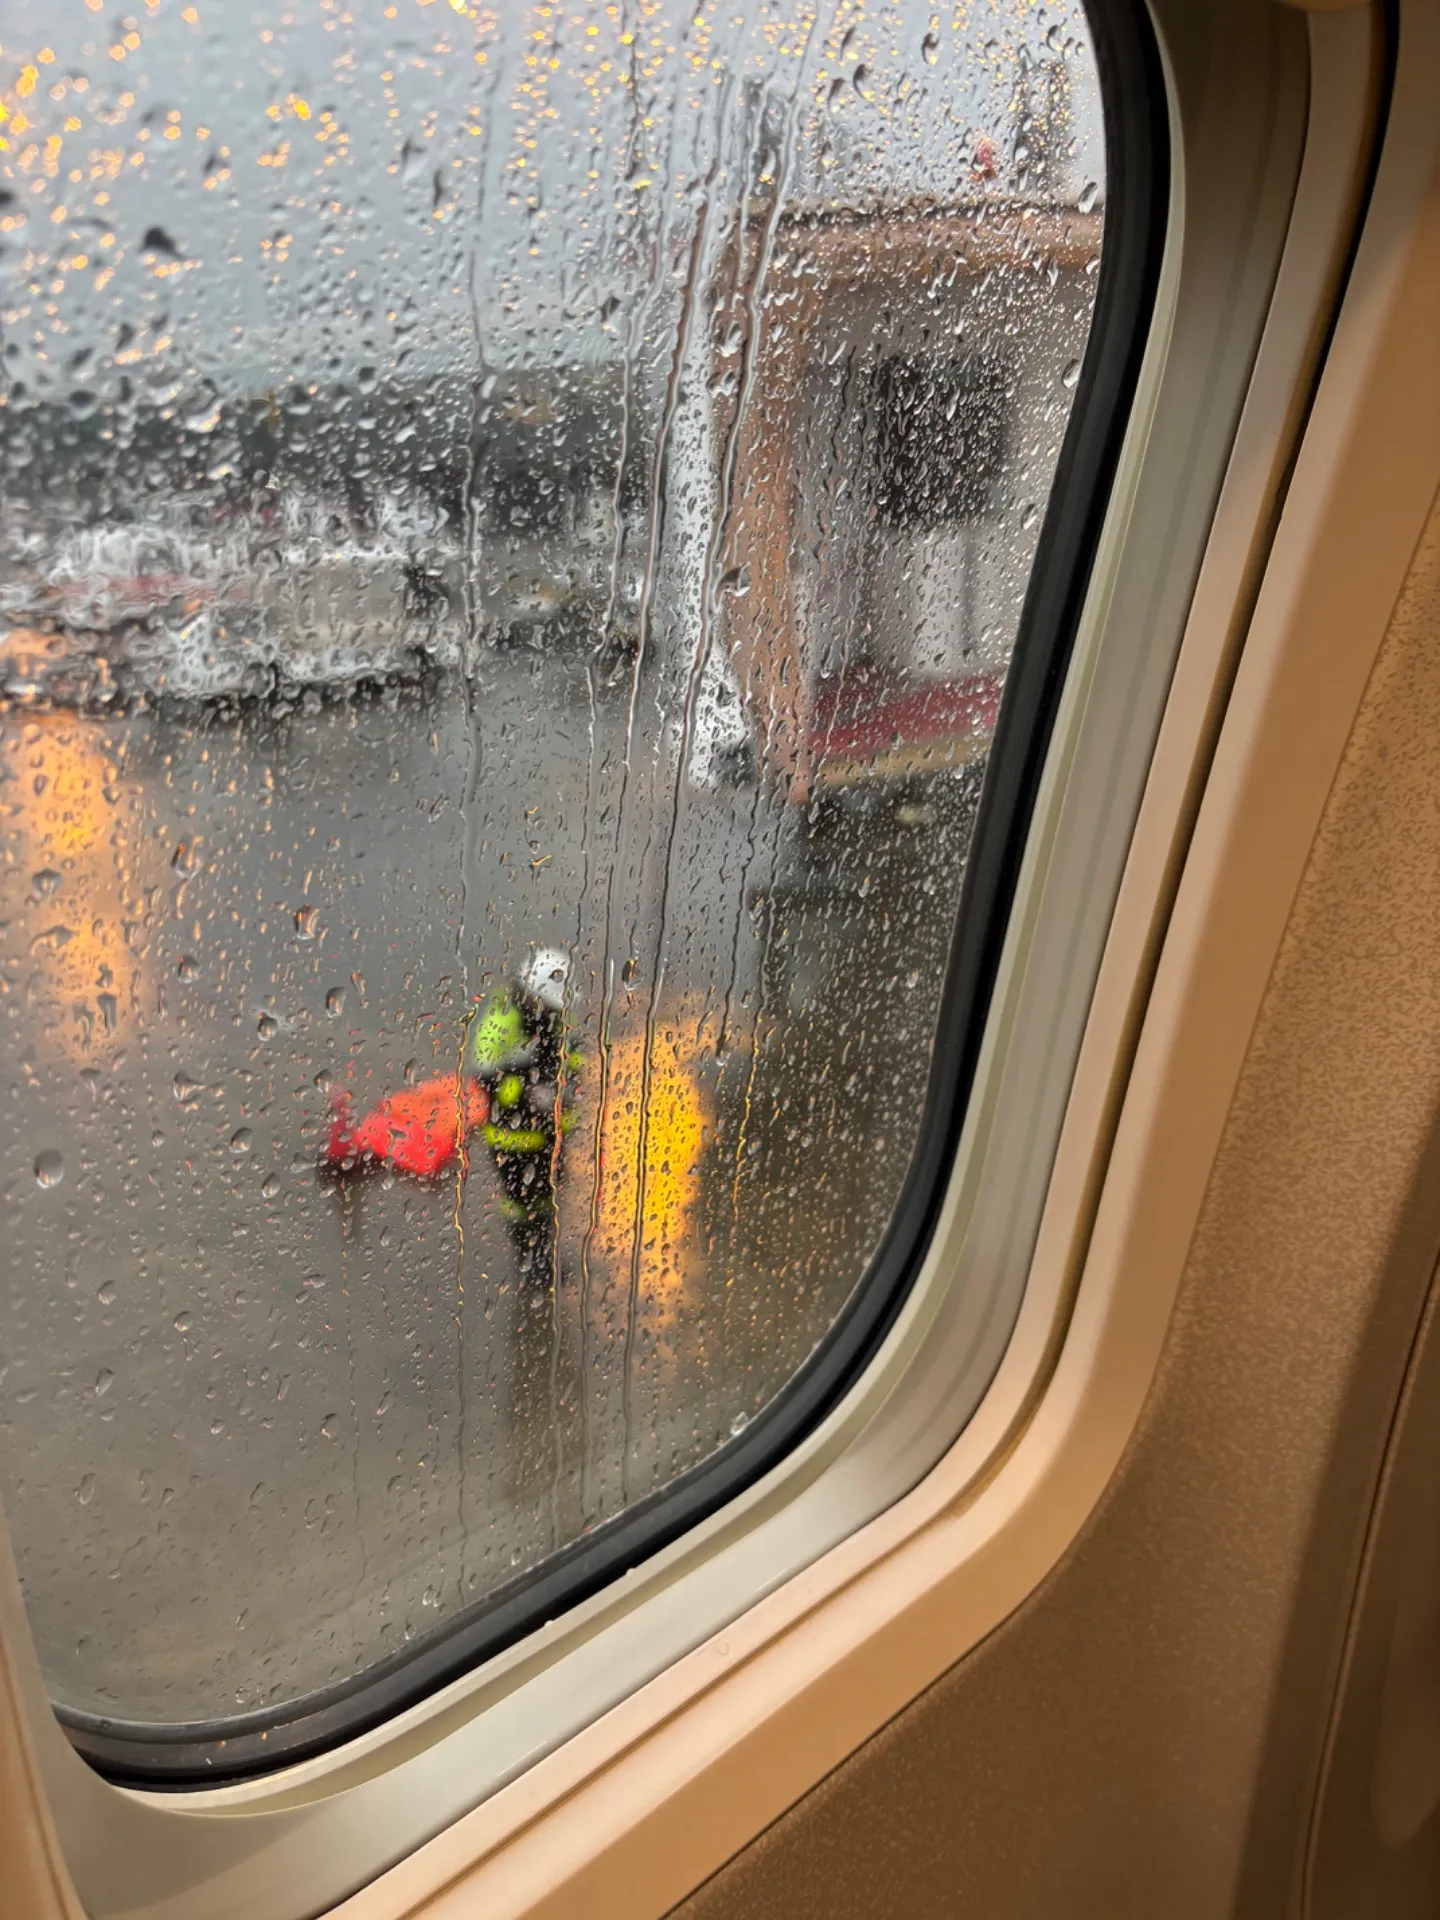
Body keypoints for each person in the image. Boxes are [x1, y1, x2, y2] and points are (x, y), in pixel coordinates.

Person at [466, 945, 581, 1283]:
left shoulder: (556, 1017)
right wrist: (527, 1085)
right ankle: (529, 1263)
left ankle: (544, 1254)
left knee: (547, 1196)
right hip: (511, 1135)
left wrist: (569, 1080)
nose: (548, 1009)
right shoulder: (502, 1018)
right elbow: (484, 1073)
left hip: (548, 1131)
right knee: (519, 1200)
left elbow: (574, 1055)